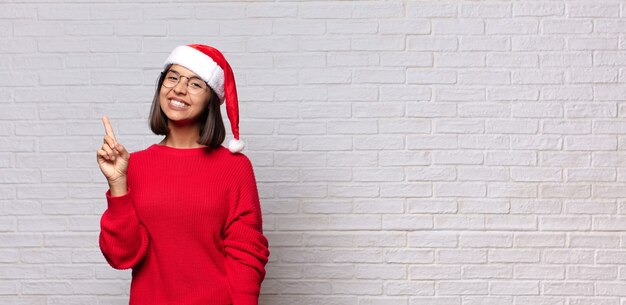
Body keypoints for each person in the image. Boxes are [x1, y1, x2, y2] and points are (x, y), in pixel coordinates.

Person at [96, 44, 270, 305]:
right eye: (173, 78)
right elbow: (122, 256)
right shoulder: (134, 165)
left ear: (210, 100)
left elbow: (246, 256)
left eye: (195, 83)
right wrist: (118, 183)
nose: (179, 88)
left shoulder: (234, 167)